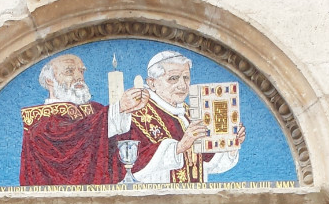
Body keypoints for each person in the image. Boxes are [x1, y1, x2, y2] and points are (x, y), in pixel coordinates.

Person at [19, 53, 148, 186]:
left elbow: (118, 144)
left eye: (81, 71)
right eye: (69, 71)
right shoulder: (41, 120)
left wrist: (130, 108)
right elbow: (72, 139)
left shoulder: (95, 110)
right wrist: (119, 108)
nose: (79, 77)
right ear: (50, 80)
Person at [126, 51, 246, 185]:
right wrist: (181, 146)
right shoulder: (137, 115)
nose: (182, 85)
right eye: (173, 78)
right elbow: (135, 167)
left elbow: (208, 163)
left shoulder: (191, 113)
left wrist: (232, 144)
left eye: (186, 78)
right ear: (152, 83)